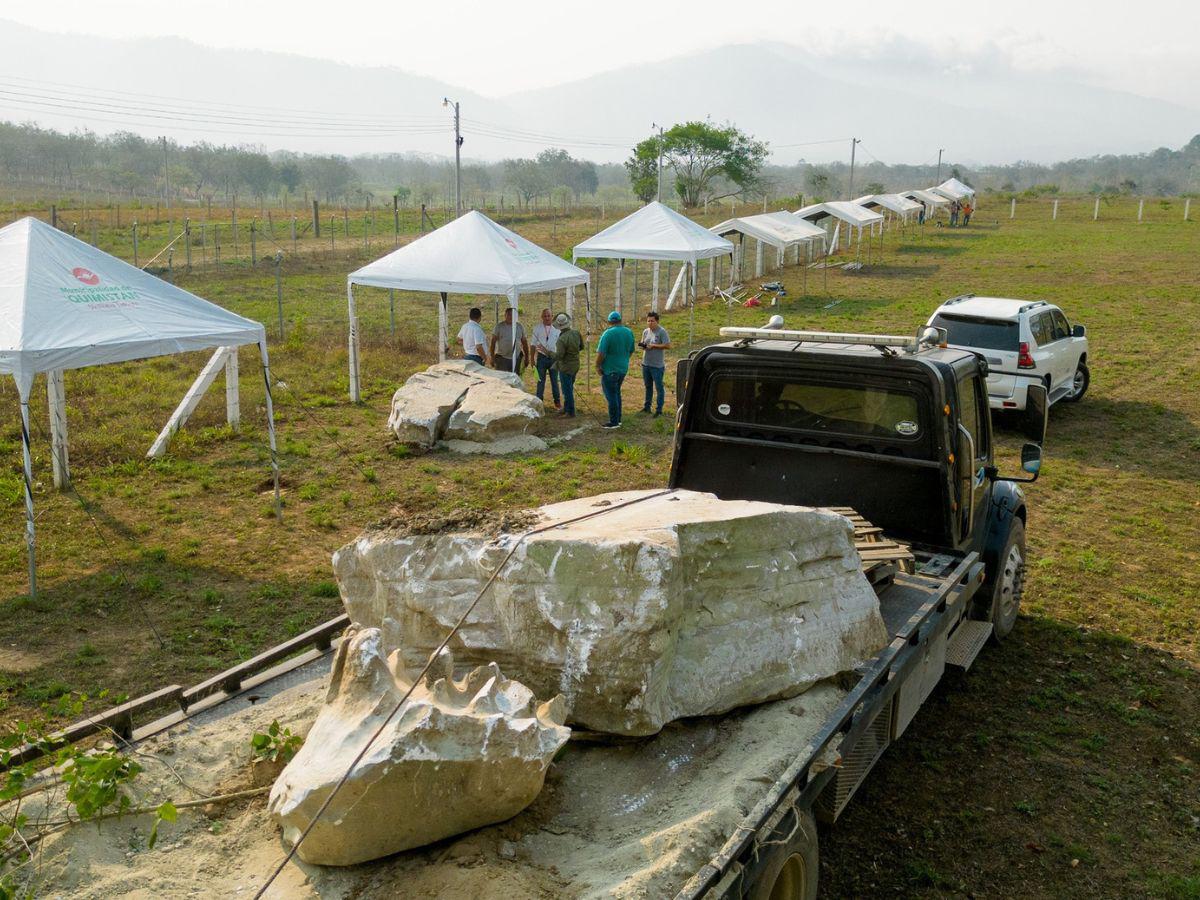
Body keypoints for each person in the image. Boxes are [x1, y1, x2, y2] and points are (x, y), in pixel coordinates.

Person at [595, 310, 636, 429]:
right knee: (617, 392)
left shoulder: (607, 334)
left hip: (610, 369)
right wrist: (624, 359)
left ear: (609, 322)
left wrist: (597, 366)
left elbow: (601, 353)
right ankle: (618, 419)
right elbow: (631, 350)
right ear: (620, 320)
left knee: (611, 395)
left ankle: (613, 422)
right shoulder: (628, 332)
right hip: (623, 368)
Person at [639, 311, 671, 417]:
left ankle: (659, 409)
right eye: (648, 321)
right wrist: (643, 346)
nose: (650, 323)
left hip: (657, 365)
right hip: (646, 363)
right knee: (648, 386)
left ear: (657, 321)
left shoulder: (662, 332)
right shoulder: (645, 331)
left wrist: (654, 346)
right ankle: (647, 407)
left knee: (659, 387)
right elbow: (643, 342)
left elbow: (667, 345)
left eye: (652, 321)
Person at [551, 312, 583, 418]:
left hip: (565, 367)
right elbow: (581, 347)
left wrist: (548, 352)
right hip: (575, 365)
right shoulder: (576, 333)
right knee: (569, 387)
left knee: (567, 390)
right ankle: (566, 408)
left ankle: (570, 411)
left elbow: (559, 356)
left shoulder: (562, 339)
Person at [530, 307, 562, 409]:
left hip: (553, 358)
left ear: (552, 317)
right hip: (541, 358)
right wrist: (531, 359)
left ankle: (557, 401)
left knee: (554, 381)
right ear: (542, 317)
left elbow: (561, 345)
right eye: (545, 316)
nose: (547, 317)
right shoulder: (537, 328)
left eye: (549, 315)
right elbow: (532, 345)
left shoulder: (557, 329)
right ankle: (539, 402)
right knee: (540, 381)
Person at [490, 307, 529, 374]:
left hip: (517, 359)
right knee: (503, 380)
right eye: (509, 314)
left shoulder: (520, 326)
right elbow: (493, 343)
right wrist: (492, 357)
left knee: (515, 380)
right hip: (502, 359)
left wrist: (527, 357)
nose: (510, 317)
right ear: (505, 315)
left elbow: (525, 343)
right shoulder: (499, 326)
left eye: (512, 315)